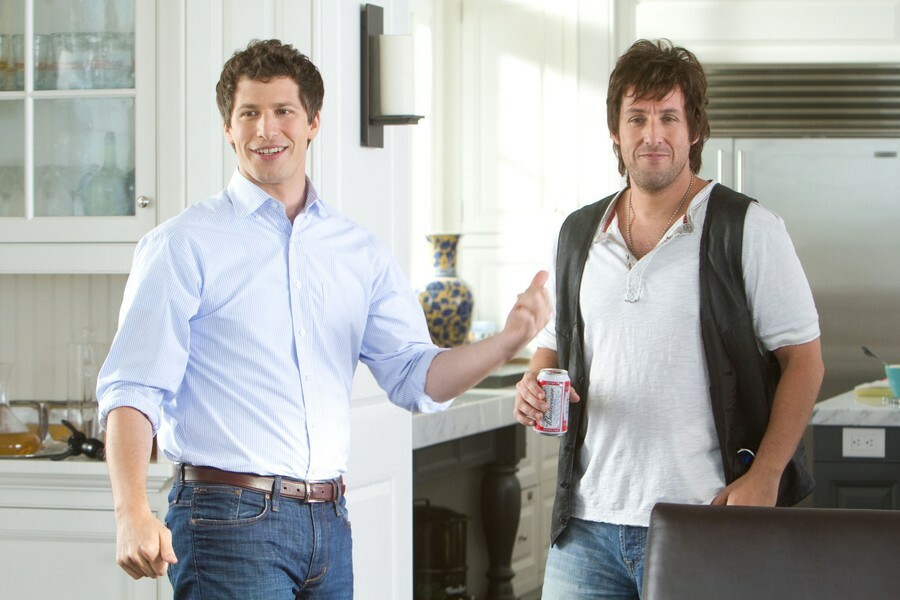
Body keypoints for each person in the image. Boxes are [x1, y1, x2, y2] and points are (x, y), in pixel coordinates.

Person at [98, 39, 550, 599]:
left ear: (313, 122)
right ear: (228, 128)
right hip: (227, 523)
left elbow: (417, 377)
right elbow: (133, 387)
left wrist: (508, 340)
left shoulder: (358, 252)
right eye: (249, 113)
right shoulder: (182, 245)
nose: (266, 129)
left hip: (329, 522)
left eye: (283, 111)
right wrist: (130, 511)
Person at [514, 39, 824, 599]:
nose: (652, 134)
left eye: (668, 117)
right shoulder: (578, 233)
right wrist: (533, 385)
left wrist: (766, 474)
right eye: (637, 117)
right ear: (615, 130)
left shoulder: (748, 229)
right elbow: (555, 345)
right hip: (586, 528)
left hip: (704, 519)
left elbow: (804, 360)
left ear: (694, 129)